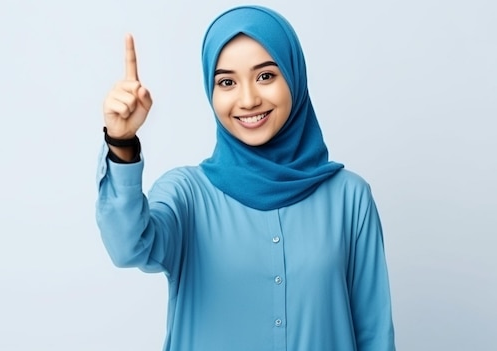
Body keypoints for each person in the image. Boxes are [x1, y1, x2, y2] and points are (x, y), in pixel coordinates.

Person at [96, 5, 395, 351]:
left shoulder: (349, 199)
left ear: (294, 76)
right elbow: (127, 247)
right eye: (227, 82)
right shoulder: (187, 195)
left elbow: (374, 333)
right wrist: (121, 143)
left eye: (266, 76)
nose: (249, 99)